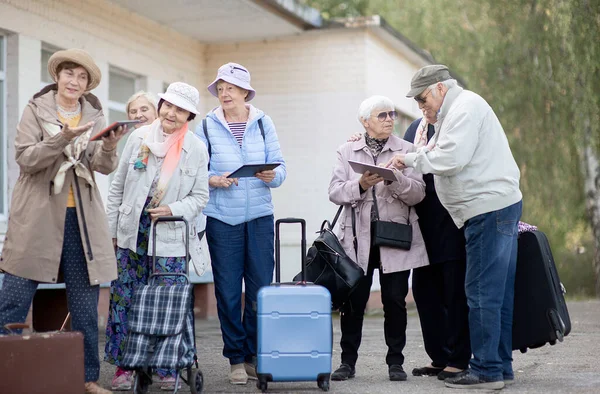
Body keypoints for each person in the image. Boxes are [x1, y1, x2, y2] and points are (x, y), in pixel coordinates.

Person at [388, 65, 522, 390]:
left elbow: (451, 159)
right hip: (494, 207)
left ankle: (486, 370)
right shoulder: (456, 111)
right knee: (497, 295)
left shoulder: (464, 108)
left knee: (480, 292)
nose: (421, 108)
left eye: (422, 99)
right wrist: (416, 153)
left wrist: (408, 160)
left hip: (486, 211)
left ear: (439, 88)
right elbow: (439, 150)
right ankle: (500, 367)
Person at [0, 48, 125, 394]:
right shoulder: (35, 109)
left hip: (82, 217)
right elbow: (26, 158)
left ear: (87, 85)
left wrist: (110, 146)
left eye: (82, 77)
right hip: (37, 216)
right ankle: (3, 370)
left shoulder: (94, 114)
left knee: (85, 304)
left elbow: (101, 165)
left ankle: (87, 378)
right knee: (15, 296)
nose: (75, 81)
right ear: (57, 76)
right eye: (69, 73)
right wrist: (62, 138)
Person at [104, 82, 209, 391]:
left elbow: (200, 197)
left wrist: (172, 208)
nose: (170, 113)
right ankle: (126, 366)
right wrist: (111, 232)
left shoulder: (196, 148)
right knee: (125, 297)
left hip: (169, 234)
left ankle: (167, 366)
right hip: (131, 231)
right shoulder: (138, 138)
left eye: (179, 110)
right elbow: (117, 187)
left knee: (169, 301)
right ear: (160, 105)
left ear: (189, 116)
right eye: (168, 106)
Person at [195, 62, 286, 385]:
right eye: (220, 89)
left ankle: (252, 354)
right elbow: (194, 171)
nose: (224, 94)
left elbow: (282, 168)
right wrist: (212, 179)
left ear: (245, 92)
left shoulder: (263, 122)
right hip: (223, 220)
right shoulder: (206, 126)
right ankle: (235, 357)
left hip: (260, 217)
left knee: (260, 288)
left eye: (230, 88)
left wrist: (273, 176)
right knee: (229, 292)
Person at [328, 95, 429, 382]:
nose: (389, 120)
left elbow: (419, 193)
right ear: (365, 122)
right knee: (353, 302)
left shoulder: (407, 150)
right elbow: (334, 191)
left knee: (395, 300)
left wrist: (396, 181)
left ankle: (395, 362)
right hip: (357, 239)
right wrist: (360, 184)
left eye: (392, 114)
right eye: (382, 115)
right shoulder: (347, 150)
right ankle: (347, 362)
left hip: (395, 235)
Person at [404, 116, 471, 381]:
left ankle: (458, 359)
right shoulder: (416, 128)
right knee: (424, 291)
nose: (423, 106)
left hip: (452, 222)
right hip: (422, 226)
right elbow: (398, 152)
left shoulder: (454, 123)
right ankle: (440, 356)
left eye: (425, 99)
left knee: (454, 293)